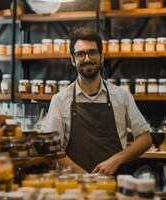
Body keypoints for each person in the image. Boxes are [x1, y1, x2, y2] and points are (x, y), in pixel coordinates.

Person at [45, 27, 152, 175]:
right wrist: (86, 178)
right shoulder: (60, 100)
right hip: (75, 188)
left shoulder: (121, 96)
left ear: (101, 57)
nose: (87, 59)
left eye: (92, 52)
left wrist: (116, 160)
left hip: (114, 186)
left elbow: (145, 139)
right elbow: (53, 150)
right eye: (81, 54)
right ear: (73, 60)